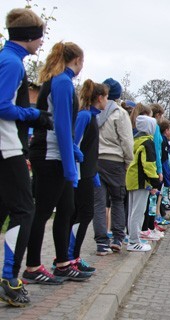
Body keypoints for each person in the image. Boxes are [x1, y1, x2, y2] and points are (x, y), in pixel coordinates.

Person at [25, 41, 91, 284]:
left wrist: (70, 154)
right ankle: (32, 266)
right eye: (82, 61)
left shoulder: (59, 80)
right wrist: (69, 166)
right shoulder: (62, 82)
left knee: (66, 210)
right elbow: (63, 126)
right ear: (77, 60)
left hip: (56, 153)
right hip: (50, 155)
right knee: (42, 211)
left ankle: (62, 263)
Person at [0, 7, 51, 307]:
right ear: (30, 37)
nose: (41, 43)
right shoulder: (12, 63)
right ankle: (9, 279)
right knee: (24, 211)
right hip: (6, 146)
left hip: (7, 145)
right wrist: (35, 115)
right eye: (40, 37)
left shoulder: (7, 58)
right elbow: (2, 106)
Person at [66, 80, 107, 273]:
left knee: (83, 214)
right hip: (81, 174)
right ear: (100, 98)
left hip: (89, 173)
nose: (107, 100)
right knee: (83, 214)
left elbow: (90, 149)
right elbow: (74, 141)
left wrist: (95, 171)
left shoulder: (93, 117)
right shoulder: (84, 116)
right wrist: (78, 165)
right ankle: (70, 256)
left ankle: (72, 256)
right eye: (106, 96)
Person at [92, 78, 133, 256]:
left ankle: (101, 241)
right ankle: (117, 238)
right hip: (115, 160)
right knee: (117, 200)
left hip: (96, 159)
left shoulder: (93, 111)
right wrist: (128, 161)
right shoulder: (120, 113)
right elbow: (126, 139)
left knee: (100, 203)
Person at [125, 115, 162, 252]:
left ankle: (131, 237)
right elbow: (149, 165)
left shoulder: (136, 140)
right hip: (141, 180)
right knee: (138, 212)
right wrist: (155, 182)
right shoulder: (148, 143)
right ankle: (134, 241)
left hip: (132, 178)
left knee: (132, 211)